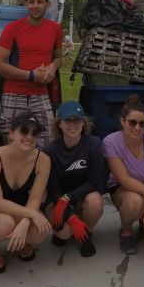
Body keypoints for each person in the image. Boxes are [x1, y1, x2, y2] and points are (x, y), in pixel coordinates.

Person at [0, 113, 52, 274]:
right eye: (24, 130)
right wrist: (32, 215)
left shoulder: (43, 160)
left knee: (39, 232)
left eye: (34, 133)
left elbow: (35, 198)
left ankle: (20, 241)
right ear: (11, 133)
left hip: (21, 210)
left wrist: (24, 224)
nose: (29, 136)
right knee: (4, 224)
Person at [0, 0, 63, 147]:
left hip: (40, 94)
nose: (35, 6)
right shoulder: (13, 28)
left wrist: (52, 67)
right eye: (31, 2)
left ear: (47, 4)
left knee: (47, 139)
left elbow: (58, 57)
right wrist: (31, 75)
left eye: (40, 2)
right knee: (12, 140)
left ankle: (39, 172)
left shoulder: (55, 29)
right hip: (14, 93)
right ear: (25, 4)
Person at [102, 95, 144, 254]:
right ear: (122, 121)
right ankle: (126, 231)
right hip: (124, 189)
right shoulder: (110, 142)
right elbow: (124, 179)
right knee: (134, 201)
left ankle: (143, 220)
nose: (137, 127)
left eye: (142, 123)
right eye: (132, 122)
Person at [45, 101, 106, 258]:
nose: (72, 125)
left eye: (76, 120)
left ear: (83, 122)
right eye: (67, 120)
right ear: (59, 124)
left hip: (79, 198)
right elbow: (52, 189)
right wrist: (70, 216)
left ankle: (84, 235)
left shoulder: (93, 144)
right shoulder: (50, 150)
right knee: (64, 233)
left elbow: (95, 182)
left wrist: (70, 198)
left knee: (96, 201)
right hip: (57, 201)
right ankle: (71, 228)